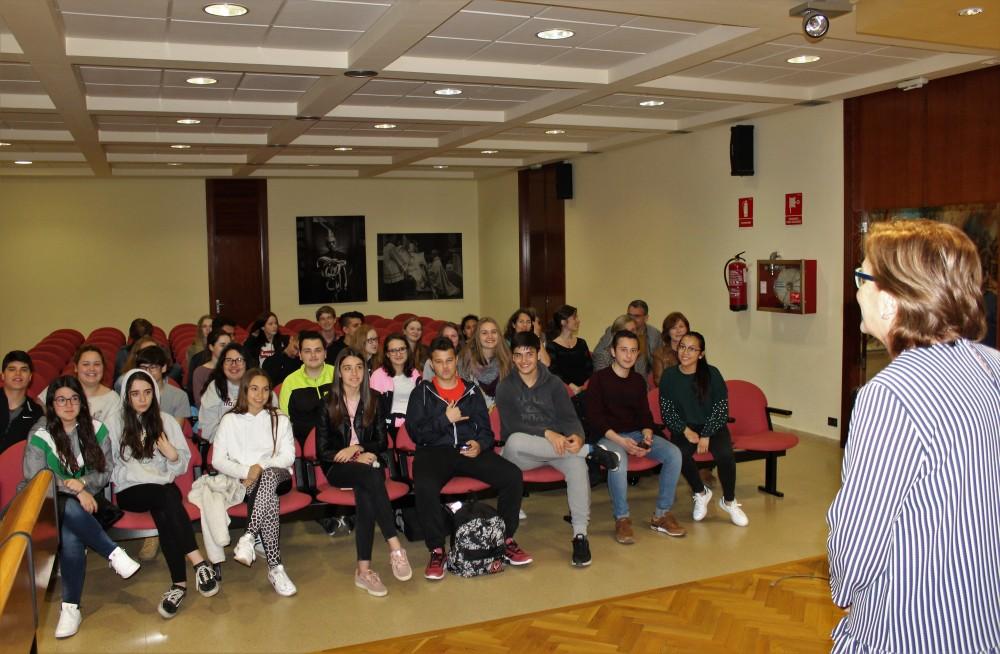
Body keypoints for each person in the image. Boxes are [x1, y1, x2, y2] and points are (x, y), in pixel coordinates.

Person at [827, 220, 1000, 654]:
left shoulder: (890, 395)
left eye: (862, 277)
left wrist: (843, 589)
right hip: (982, 615)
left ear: (889, 301)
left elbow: (859, 537)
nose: (856, 292)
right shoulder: (991, 366)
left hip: (912, 624)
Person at [22, 376, 141, 639]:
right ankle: (112, 553)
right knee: (68, 509)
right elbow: (36, 478)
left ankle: (70, 608)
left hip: (86, 504)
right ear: (51, 404)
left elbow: (105, 471)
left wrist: (84, 484)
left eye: (74, 399)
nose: (68, 405)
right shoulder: (40, 433)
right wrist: (76, 489)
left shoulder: (96, 429)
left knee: (70, 531)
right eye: (61, 399)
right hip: (44, 504)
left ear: (82, 402)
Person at [405, 338, 530, 580]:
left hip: (468, 450)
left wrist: (480, 444)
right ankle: (437, 549)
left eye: (449, 360)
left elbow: (486, 431)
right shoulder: (421, 393)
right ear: (432, 364)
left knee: (512, 475)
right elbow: (416, 433)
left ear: (456, 361)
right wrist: (445, 419)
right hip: (434, 452)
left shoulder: (471, 391)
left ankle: (505, 539)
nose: (444, 367)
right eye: (439, 362)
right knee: (425, 485)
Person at [497, 332, 620, 567]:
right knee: (514, 440)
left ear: (538, 354)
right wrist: (547, 433)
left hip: (556, 451)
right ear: (512, 358)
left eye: (529, 354)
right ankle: (590, 451)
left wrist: (577, 437)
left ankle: (580, 535)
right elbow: (512, 426)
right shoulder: (505, 387)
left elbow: (569, 418)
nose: (524, 360)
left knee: (576, 465)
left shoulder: (553, 383)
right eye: (518, 355)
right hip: (521, 456)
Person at [108, 369, 219, 619]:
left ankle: (178, 585)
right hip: (131, 490)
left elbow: (180, 464)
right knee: (167, 498)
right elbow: (108, 463)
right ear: (126, 396)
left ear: (155, 394)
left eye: (147, 393)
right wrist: (137, 473)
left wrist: (173, 455)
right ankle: (198, 561)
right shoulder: (114, 422)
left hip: (163, 489)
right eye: (135, 394)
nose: (142, 399)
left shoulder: (166, 421)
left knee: (165, 512)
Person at [318, 349, 413, 596]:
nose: (354, 373)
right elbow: (323, 450)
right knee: (369, 477)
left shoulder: (375, 399)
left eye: (359, 367)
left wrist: (359, 448)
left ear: (365, 371)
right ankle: (395, 545)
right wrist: (351, 455)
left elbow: (381, 441)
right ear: (339, 372)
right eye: (348, 368)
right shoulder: (327, 403)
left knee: (366, 492)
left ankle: (363, 571)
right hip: (339, 468)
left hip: (369, 462)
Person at [587, 330, 685, 543]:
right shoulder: (599, 379)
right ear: (613, 352)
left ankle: (661, 515)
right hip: (608, 436)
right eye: (623, 350)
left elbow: (644, 415)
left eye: (633, 351)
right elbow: (595, 419)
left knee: (674, 454)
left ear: (638, 354)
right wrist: (621, 442)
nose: (628, 355)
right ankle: (622, 518)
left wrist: (647, 435)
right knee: (618, 460)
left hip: (635, 434)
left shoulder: (638, 381)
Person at [213, 368, 298, 597]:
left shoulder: (279, 418)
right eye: (254, 389)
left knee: (267, 478)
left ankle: (249, 536)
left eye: (265, 390)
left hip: (277, 475)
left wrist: (260, 466)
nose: (260, 395)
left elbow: (288, 456)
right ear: (244, 390)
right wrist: (245, 471)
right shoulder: (229, 420)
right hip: (245, 481)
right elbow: (217, 460)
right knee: (268, 499)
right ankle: (275, 567)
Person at [659, 332, 747, 527]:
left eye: (692, 349)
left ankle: (729, 501)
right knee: (679, 454)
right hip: (684, 427)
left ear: (701, 354)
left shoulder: (712, 374)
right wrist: (685, 430)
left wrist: (706, 434)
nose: (685, 352)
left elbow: (721, 410)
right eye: (682, 347)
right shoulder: (669, 376)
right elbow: (667, 411)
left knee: (725, 455)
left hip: (713, 426)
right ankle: (700, 492)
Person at [278, 331, 335, 446]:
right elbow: (285, 420)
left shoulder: (337, 375)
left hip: (337, 440)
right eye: (307, 351)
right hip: (303, 442)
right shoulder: (290, 382)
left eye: (318, 350)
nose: (313, 355)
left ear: (325, 353)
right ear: (300, 355)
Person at [39, 346, 122, 423]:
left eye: (97, 364)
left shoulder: (113, 400)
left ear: (103, 367)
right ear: (76, 367)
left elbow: (112, 433)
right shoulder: (59, 387)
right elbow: (39, 411)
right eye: (86, 364)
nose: (92, 369)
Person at [370, 334, 421, 438]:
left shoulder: (414, 373)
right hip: (388, 428)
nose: (398, 354)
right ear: (387, 354)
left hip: (413, 426)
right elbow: (374, 409)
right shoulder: (378, 375)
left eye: (402, 349)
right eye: (393, 350)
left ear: (407, 351)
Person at [457, 317, 511, 409]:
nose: (490, 336)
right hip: (474, 412)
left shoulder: (507, 359)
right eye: (484, 333)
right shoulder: (465, 360)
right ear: (477, 336)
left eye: (494, 332)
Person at [198, 343, 248, 443]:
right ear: (222, 365)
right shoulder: (215, 387)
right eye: (228, 360)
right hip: (224, 442)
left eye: (239, 360)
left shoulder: (257, 384)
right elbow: (208, 428)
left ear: (247, 363)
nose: (234, 364)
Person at [1, 350, 43, 455]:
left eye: (24, 370)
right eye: (12, 369)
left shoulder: (36, 412)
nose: (18, 374)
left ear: (30, 377)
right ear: (3, 375)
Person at [135, 345, 188, 426]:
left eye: (153, 367)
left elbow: (176, 429)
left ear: (163, 368)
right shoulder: (133, 394)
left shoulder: (179, 396)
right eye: (143, 367)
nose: (147, 372)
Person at [545, 305, 593, 394]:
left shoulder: (582, 342)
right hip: (564, 392)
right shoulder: (552, 346)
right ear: (563, 322)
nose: (578, 320)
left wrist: (584, 386)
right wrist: (571, 387)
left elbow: (589, 368)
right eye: (574, 318)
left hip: (585, 390)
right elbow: (554, 372)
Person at [186, 316, 237, 389]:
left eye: (233, 334)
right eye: (228, 334)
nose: (232, 338)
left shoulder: (238, 359)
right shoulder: (198, 361)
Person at [190, 329, 232, 409]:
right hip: (211, 414)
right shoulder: (200, 372)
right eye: (222, 345)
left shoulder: (236, 369)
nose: (227, 349)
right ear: (211, 347)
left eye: (229, 345)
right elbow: (200, 403)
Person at [651, 312, 690, 387]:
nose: (678, 331)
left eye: (681, 326)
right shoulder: (659, 354)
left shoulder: (694, 351)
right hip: (671, 391)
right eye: (673, 328)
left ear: (687, 329)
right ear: (668, 332)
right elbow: (659, 382)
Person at [626, 300, 662, 377]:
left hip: (646, 378)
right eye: (629, 315)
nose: (631, 319)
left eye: (636, 316)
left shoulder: (655, 335)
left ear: (646, 318)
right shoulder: (614, 330)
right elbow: (601, 355)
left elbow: (658, 362)